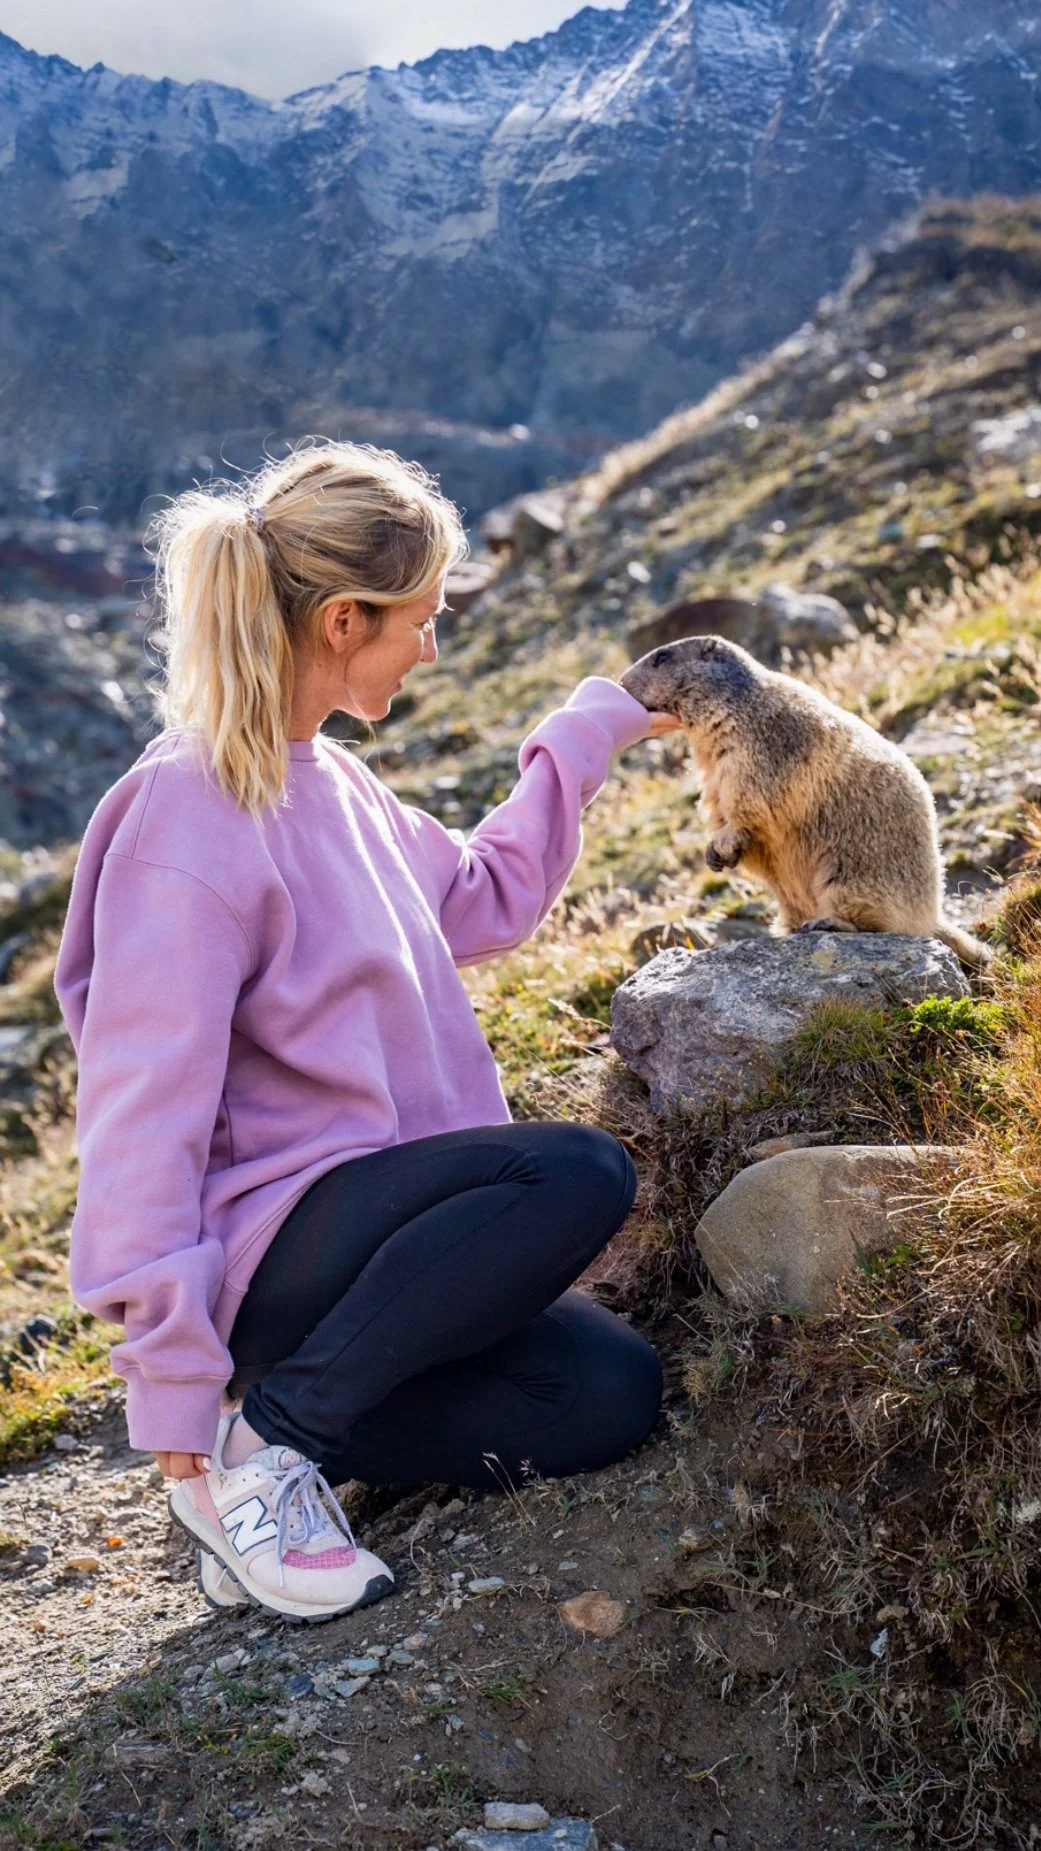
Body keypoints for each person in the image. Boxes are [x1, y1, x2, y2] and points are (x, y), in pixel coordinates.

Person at [53, 441, 681, 1625]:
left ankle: (289, 1444)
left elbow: (485, 899)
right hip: (283, 1253)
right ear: (345, 619)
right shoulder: (183, 817)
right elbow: (142, 1118)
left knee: (607, 1394)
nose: (431, 646)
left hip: (385, 1245)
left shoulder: (333, 785)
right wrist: (172, 1387)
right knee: (577, 1172)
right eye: (422, 619)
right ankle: (266, 1451)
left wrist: (589, 732)